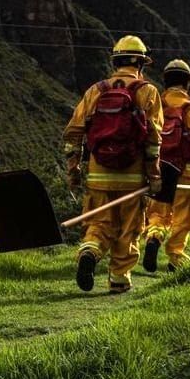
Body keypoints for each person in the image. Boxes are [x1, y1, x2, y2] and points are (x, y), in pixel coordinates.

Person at [63, 36, 163, 293]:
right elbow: (153, 140)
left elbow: (74, 132)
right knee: (129, 229)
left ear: (115, 62)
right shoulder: (148, 91)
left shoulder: (96, 91)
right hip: (132, 177)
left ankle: (90, 251)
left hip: (99, 176)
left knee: (99, 223)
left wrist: (74, 169)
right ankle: (119, 278)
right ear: (140, 63)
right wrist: (154, 175)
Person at [142, 59, 190, 272]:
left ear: (165, 81)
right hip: (184, 172)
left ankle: (154, 236)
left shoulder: (156, 105)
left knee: (158, 212)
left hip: (159, 170)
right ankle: (175, 256)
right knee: (184, 216)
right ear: (187, 82)